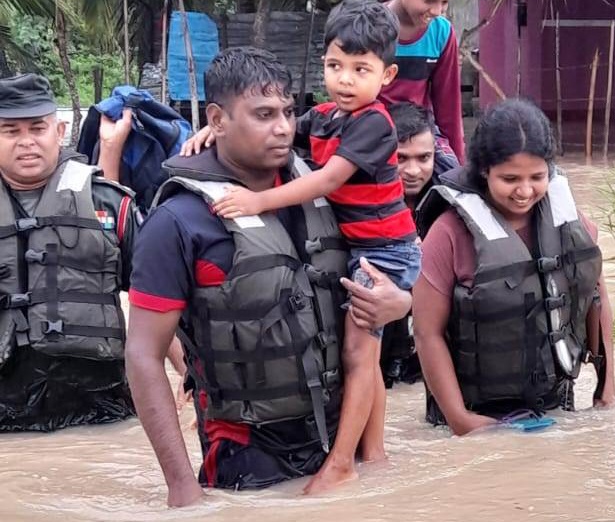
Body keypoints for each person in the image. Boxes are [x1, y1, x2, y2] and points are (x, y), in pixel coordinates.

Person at [126, 47, 413, 507]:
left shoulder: (329, 189)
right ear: (216, 120)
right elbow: (142, 355)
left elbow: (392, 266)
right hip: (248, 455)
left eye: (287, 112)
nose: (282, 127)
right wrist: (181, 487)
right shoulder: (177, 222)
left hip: (346, 445)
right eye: (263, 115)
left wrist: (401, 303)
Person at [182, 0, 421, 471]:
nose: (345, 79)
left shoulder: (374, 123)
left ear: (386, 77)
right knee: (362, 355)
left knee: (358, 354)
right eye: (335, 65)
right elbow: (280, 133)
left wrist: (256, 202)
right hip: (360, 245)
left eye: (360, 68)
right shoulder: (329, 115)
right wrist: (212, 134)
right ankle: (374, 455)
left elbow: (329, 179)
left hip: (385, 252)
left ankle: (351, 462)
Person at [413, 98, 615, 436]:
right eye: (509, 179)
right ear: (484, 171)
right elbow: (426, 333)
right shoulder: (448, 233)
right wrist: (461, 420)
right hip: (472, 414)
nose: (524, 191)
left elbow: (596, 299)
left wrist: (606, 389)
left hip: (555, 406)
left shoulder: (569, 222)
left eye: (537, 177)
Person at [0, 73, 142, 432]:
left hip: (99, 404)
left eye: (37, 128)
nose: (26, 142)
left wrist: (189, 374)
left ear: (60, 132)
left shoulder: (107, 202)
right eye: (10, 131)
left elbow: (154, 301)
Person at [382, 0, 464, 174]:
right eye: (429, 0)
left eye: (445, 2)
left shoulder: (442, 33)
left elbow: (449, 108)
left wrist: (459, 170)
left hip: (422, 136)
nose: (437, 11)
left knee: (451, 183)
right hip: (375, 131)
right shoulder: (373, 28)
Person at [380, 102, 441, 386]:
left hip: (427, 352)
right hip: (380, 347)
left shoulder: (450, 200)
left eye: (423, 158)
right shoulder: (361, 203)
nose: (412, 170)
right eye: (400, 158)